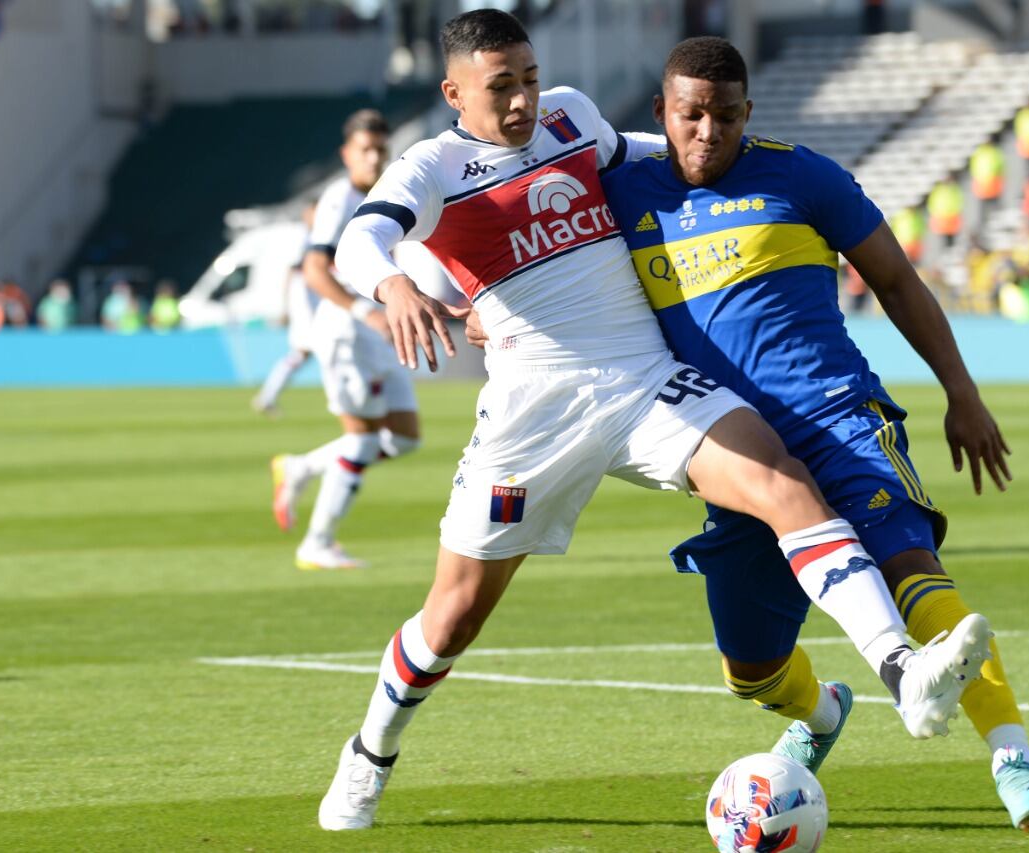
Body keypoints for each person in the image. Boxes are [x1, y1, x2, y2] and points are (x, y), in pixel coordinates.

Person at [317, 10, 992, 832]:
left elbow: (654, 156)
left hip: (645, 381)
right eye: (502, 88)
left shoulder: (573, 115)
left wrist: (735, 162)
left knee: (786, 485)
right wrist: (394, 286)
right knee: (454, 612)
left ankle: (901, 669)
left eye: (529, 78)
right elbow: (360, 240)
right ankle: (370, 754)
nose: (524, 100)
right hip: (535, 407)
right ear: (456, 92)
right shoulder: (435, 164)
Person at [597, 36, 1029, 832]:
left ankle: (1013, 755)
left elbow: (895, 278)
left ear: (749, 112)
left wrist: (961, 391)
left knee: (912, 562)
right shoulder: (623, 195)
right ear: (660, 115)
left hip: (837, 418)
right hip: (730, 450)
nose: (709, 132)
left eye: (726, 116)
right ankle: (820, 714)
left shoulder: (801, 174)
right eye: (691, 115)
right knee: (750, 667)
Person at [269, 110, 424, 571]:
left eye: (380, 148)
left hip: (377, 331)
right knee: (359, 441)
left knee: (405, 438)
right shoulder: (340, 199)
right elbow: (315, 270)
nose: (374, 157)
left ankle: (301, 467)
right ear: (347, 154)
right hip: (347, 333)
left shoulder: (387, 192)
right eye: (365, 150)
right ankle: (316, 543)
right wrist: (361, 311)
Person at [252, 203, 318, 416]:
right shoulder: (303, 237)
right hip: (306, 295)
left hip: (314, 293)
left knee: (303, 353)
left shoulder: (317, 235)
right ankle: (266, 397)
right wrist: (287, 306)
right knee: (306, 350)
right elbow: (293, 271)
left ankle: (267, 397)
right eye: (313, 212)